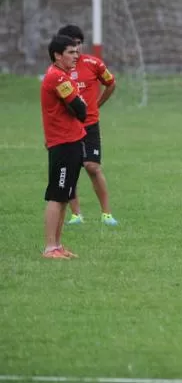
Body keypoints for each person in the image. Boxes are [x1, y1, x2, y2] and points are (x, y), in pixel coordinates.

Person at [56, 25, 120, 227]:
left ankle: (106, 214)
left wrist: (98, 104)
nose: (76, 50)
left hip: (90, 124)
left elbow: (111, 83)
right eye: (71, 46)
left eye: (78, 45)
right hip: (67, 125)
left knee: (92, 166)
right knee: (72, 167)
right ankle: (76, 215)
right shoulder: (58, 70)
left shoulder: (94, 63)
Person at [40, 34, 88, 259]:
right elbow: (80, 109)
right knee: (57, 196)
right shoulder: (57, 78)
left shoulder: (65, 77)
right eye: (70, 52)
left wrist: (78, 106)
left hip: (73, 141)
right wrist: (79, 106)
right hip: (63, 143)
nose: (75, 55)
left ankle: (58, 246)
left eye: (76, 51)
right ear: (57, 55)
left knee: (66, 195)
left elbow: (78, 108)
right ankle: (50, 248)